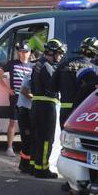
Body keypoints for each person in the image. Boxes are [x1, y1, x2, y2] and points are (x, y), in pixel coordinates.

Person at [29, 38, 65, 179]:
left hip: (36, 105)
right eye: (59, 54)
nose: (61, 57)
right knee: (46, 139)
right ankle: (42, 169)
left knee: (37, 137)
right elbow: (53, 86)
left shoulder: (38, 64)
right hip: (46, 106)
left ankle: (34, 166)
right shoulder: (48, 67)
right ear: (53, 52)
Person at [51, 36, 98, 128]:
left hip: (65, 110)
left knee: (66, 139)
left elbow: (53, 87)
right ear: (95, 53)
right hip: (84, 113)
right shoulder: (95, 70)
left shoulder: (64, 64)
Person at [0, 43, 33, 157]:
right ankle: (9, 148)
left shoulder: (33, 66)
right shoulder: (12, 63)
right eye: (21, 51)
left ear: (30, 53)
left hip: (28, 98)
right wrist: (6, 89)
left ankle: (26, 148)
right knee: (13, 122)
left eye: (26, 52)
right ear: (18, 53)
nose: (23, 54)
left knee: (28, 123)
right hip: (15, 97)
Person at [17, 73, 34, 173]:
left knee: (29, 140)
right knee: (27, 139)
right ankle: (24, 165)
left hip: (27, 109)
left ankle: (25, 164)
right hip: (25, 110)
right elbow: (24, 90)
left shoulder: (33, 73)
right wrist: (36, 98)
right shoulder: (31, 75)